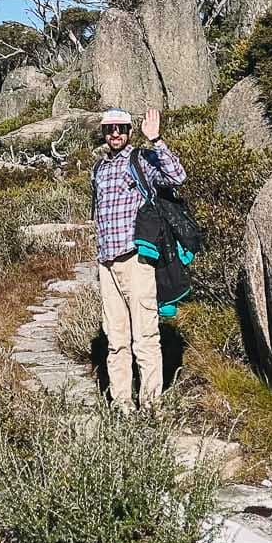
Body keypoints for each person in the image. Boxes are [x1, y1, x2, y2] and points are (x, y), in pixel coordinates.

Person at [91, 105, 185, 409]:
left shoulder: (141, 159)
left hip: (136, 260)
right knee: (115, 339)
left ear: (130, 131)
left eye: (120, 128)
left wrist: (156, 140)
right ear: (104, 133)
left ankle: (151, 405)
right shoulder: (99, 168)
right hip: (107, 262)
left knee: (145, 335)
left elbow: (177, 176)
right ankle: (122, 404)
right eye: (109, 129)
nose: (115, 133)